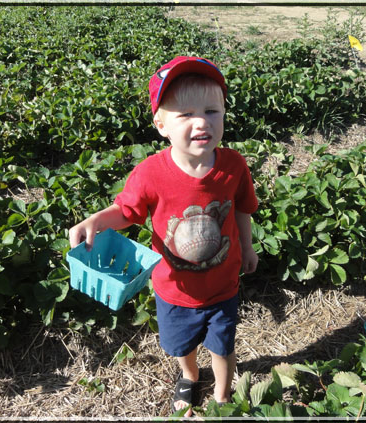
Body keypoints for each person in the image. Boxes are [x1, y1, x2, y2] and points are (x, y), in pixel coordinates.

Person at [69, 56, 259, 417]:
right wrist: (97, 219)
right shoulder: (150, 174)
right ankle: (189, 376)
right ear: (161, 124)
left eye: (212, 110)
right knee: (180, 345)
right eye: (185, 114)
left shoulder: (233, 165)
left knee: (224, 345)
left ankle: (222, 395)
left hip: (223, 284)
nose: (202, 121)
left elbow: (242, 209)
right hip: (174, 290)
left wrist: (247, 247)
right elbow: (126, 212)